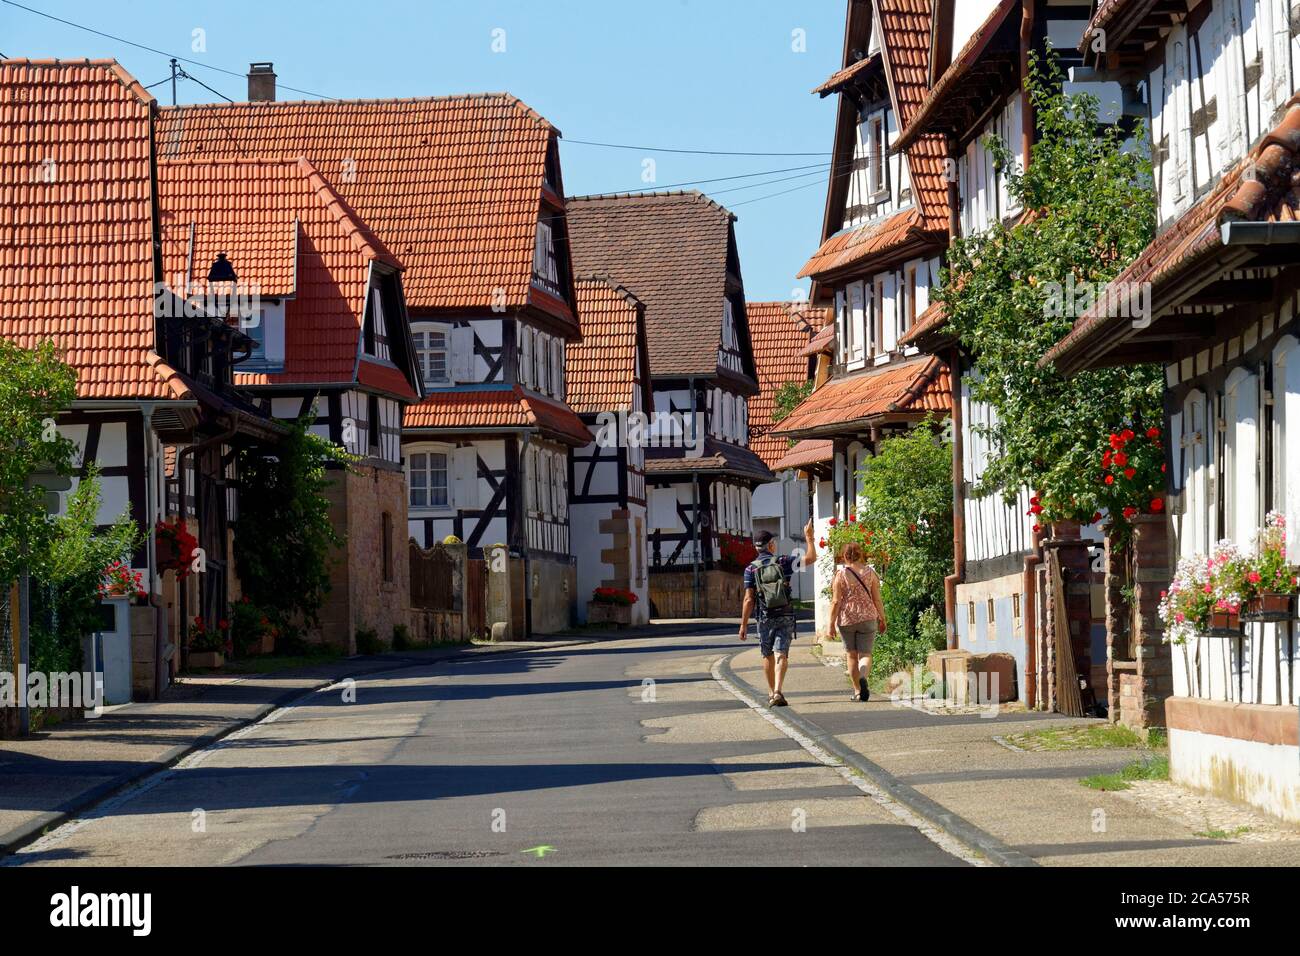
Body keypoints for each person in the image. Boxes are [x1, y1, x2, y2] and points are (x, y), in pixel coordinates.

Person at [739, 520, 817, 707]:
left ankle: (771, 692)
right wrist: (809, 537)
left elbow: (749, 599)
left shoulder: (750, 569)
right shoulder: (784, 562)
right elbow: (811, 558)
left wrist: (743, 625)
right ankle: (778, 691)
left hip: (764, 617)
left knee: (767, 654)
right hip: (785, 615)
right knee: (781, 653)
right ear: (771, 545)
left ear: (757, 548)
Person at [828, 541, 886, 702]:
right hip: (868, 617)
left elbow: (835, 601)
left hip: (847, 619)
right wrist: (882, 617)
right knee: (865, 654)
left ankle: (858, 691)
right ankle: (863, 676)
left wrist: (831, 624)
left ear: (845, 556)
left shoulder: (840, 575)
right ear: (861, 555)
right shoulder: (870, 573)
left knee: (851, 656)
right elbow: (877, 599)